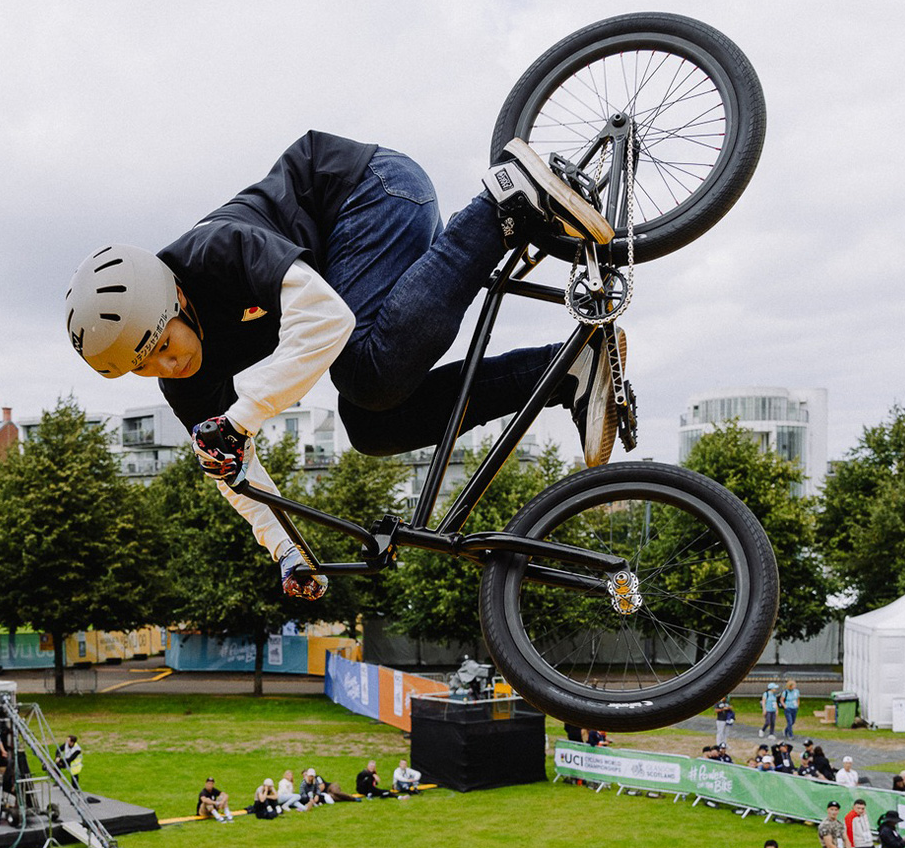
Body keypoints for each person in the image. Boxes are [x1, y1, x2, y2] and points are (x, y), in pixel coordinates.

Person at [64, 134, 621, 599]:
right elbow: (233, 474)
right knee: (373, 426)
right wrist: (288, 550)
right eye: (146, 367)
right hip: (348, 260)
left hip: (374, 192)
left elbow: (326, 321)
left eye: (165, 344)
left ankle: (501, 202)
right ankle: (567, 370)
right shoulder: (182, 384)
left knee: (363, 373)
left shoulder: (221, 251)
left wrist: (242, 418)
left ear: (177, 299)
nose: (172, 363)